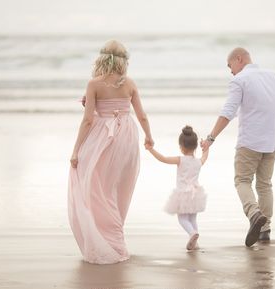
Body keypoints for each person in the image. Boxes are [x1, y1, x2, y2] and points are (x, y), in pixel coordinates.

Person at [201, 47, 275, 247]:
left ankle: (254, 214)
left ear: (239, 59)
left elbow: (228, 112)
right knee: (265, 185)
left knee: (242, 181)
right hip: (271, 143)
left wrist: (210, 138)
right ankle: (265, 230)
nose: (231, 71)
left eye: (230, 66)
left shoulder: (240, 80)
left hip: (249, 142)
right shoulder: (274, 77)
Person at [68, 40, 154, 264]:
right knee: (118, 189)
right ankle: (115, 241)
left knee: (98, 189)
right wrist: (149, 137)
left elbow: (88, 121)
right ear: (124, 61)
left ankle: (109, 242)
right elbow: (142, 115)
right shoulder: (130, 84)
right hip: (127, 137)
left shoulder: (94, 84)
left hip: (104, 139)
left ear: (102, 59)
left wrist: (76, 150)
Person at [146, 126, 208, 250]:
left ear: (181, 147)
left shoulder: (180, 160)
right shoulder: (198, 162)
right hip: (195, 194)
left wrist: (151, 149)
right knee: (192, 218)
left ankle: (192, 234)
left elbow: (163, 159)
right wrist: (205, 147)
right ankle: (194, 241)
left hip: (183, 194)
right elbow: (205, 156)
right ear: (195, 146)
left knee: (182, 219)